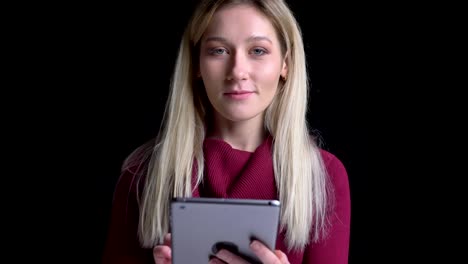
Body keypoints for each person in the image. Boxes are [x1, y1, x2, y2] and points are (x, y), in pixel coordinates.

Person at [102, 0, 351, 263]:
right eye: (218, 50)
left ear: (285, 65)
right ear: (197, 64)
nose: (237, 71)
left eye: (257, 50)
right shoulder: (142, 174)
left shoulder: (323, 178)